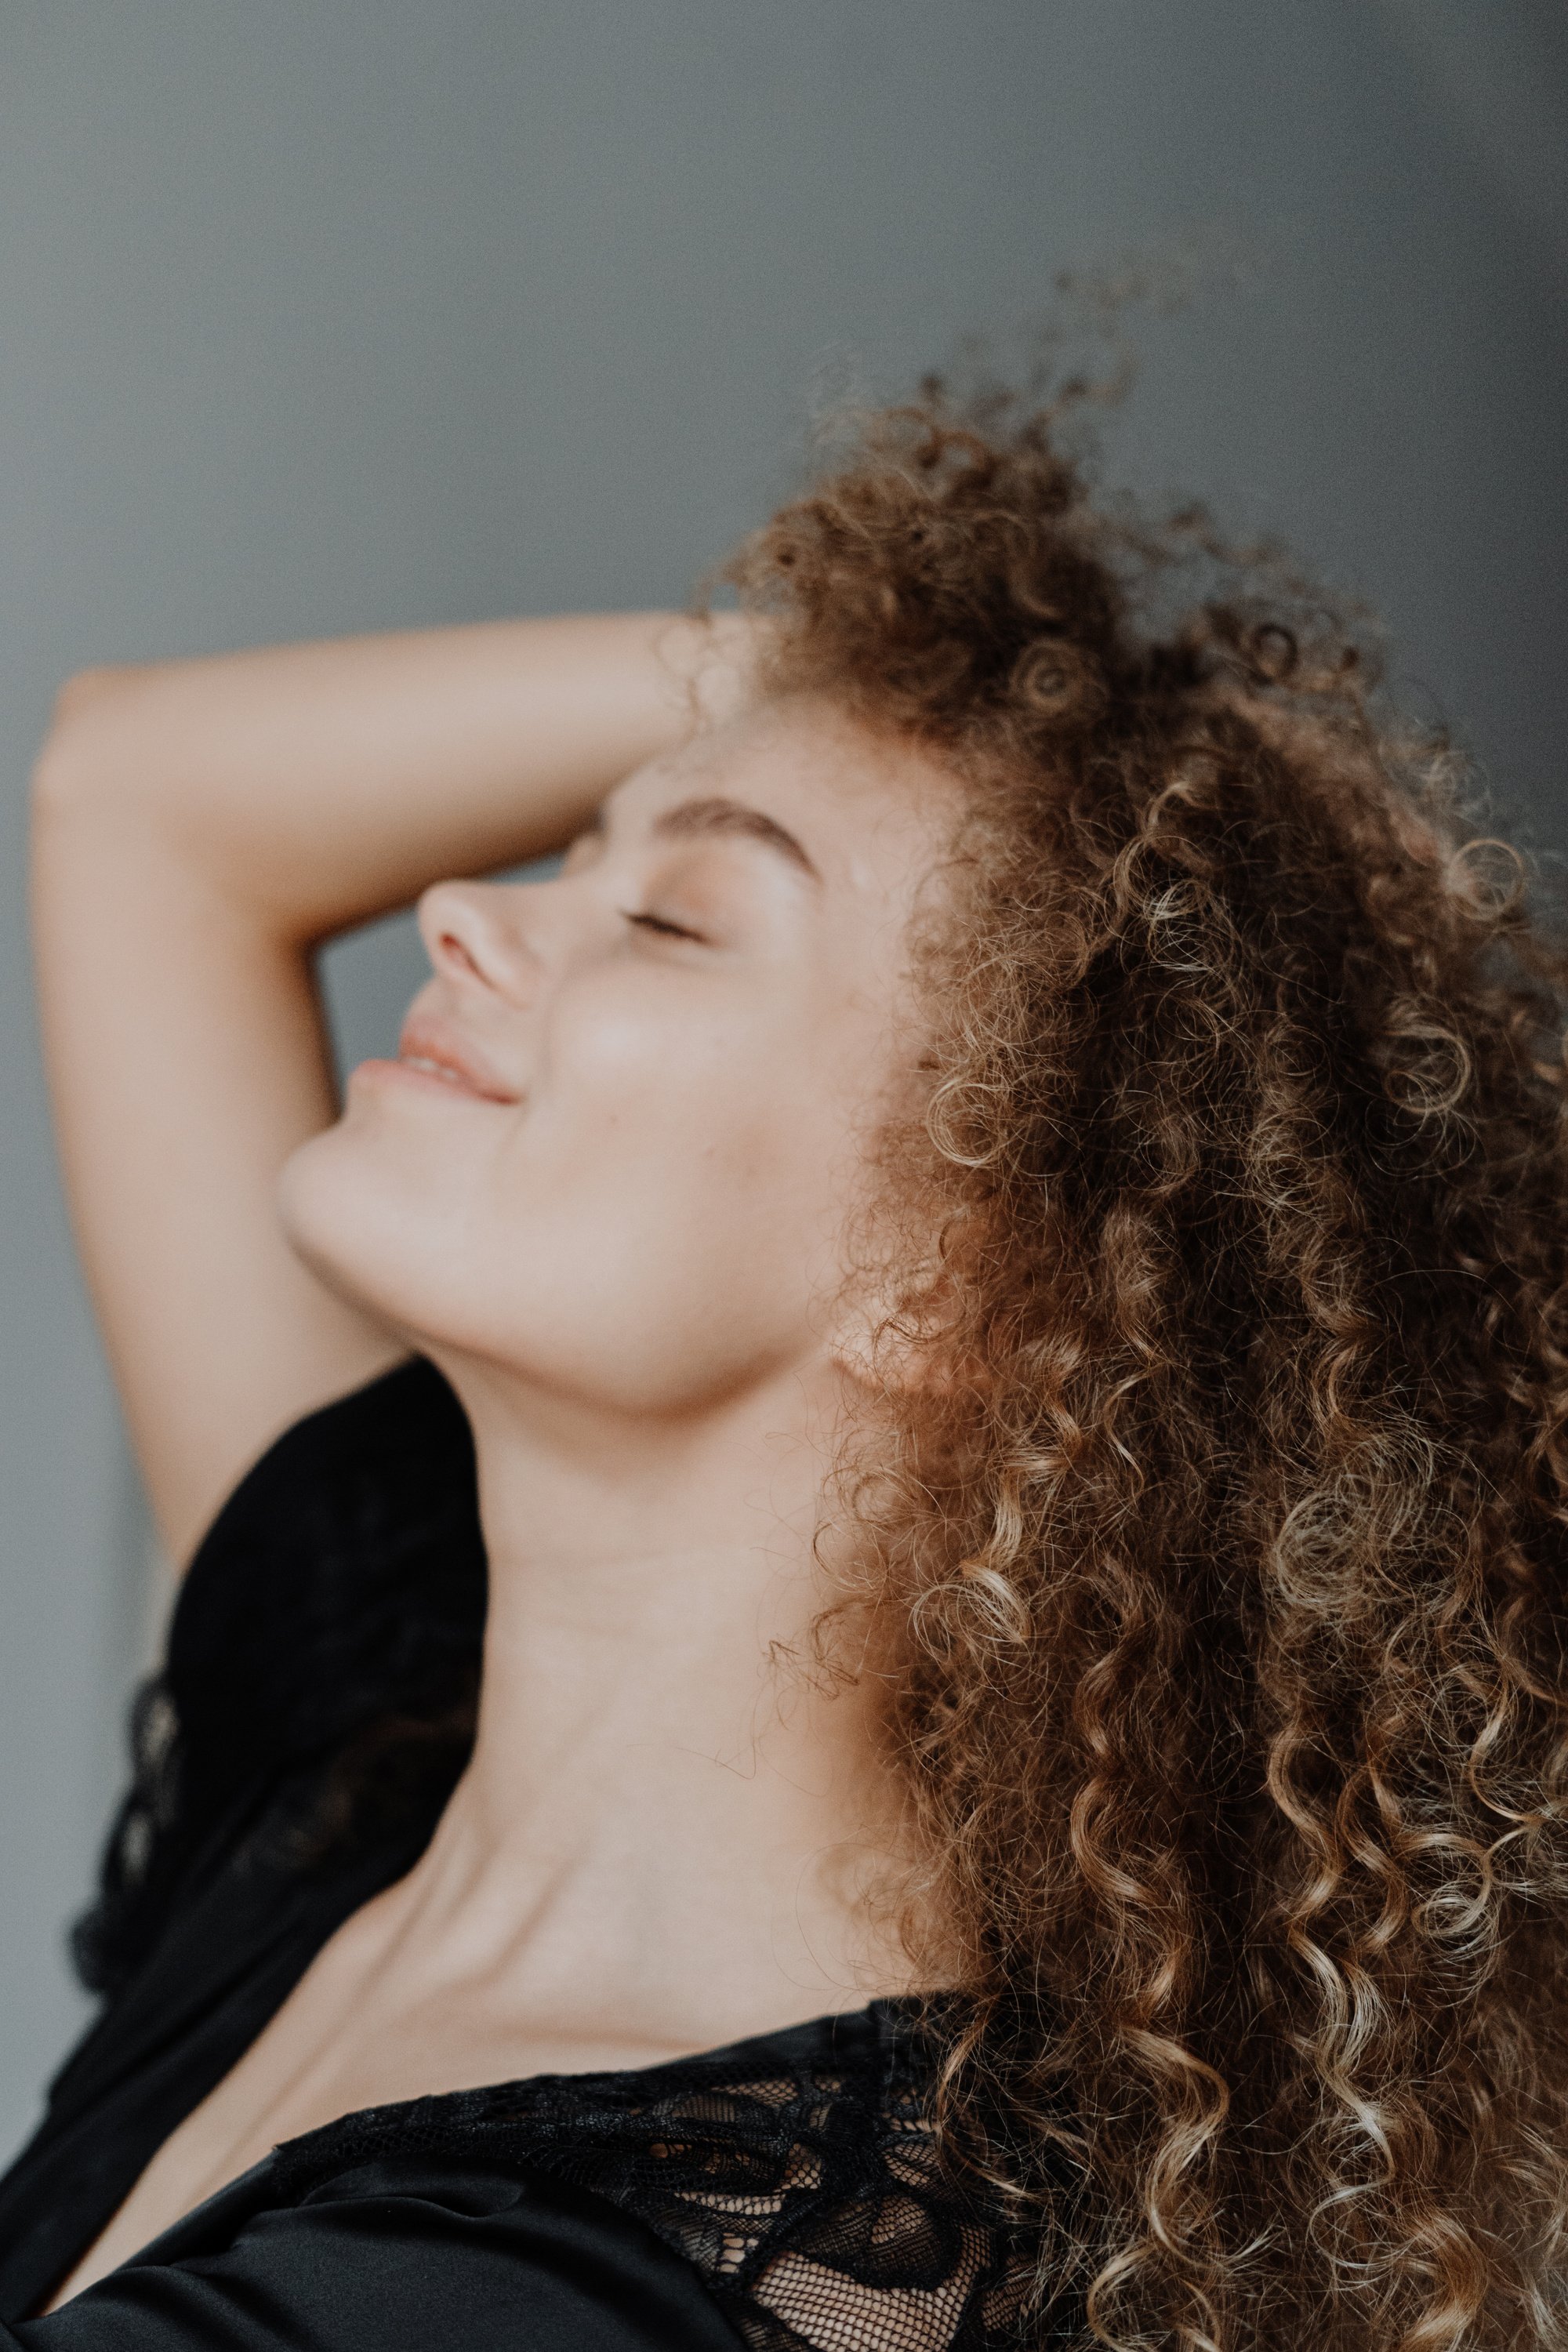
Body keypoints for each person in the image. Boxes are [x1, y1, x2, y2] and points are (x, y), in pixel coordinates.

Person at [1, 381, 1565, 2352]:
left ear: (957, 1280)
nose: (460, 910)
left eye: (668, 915)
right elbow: (140, 802)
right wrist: (998, 713)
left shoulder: (607, 2296)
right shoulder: (374, 1748)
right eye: (580, 852)